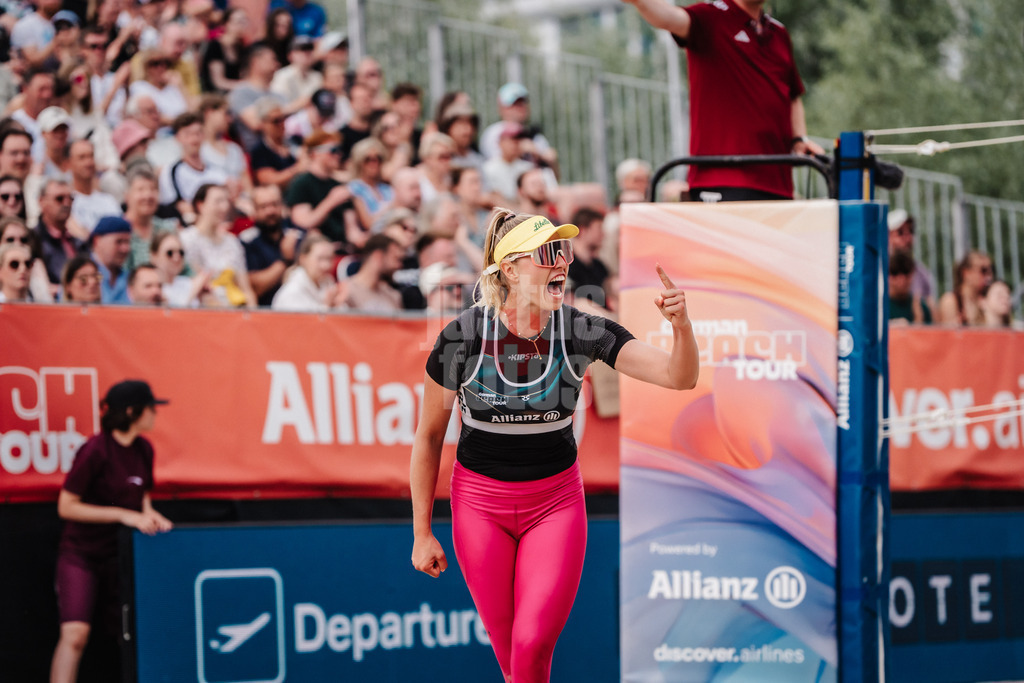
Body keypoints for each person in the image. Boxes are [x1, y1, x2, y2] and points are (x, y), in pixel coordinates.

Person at [410, 208, 699, 683]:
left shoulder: (581, 329)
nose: (561, 262)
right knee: (514, 661)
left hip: (555, 503)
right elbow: (427, 439)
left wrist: (681, 326)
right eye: (547, 253)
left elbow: (679, 377)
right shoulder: (461, 337)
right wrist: (422, 533)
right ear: (509, 269)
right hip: (479, 506)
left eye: (562, 251)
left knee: (532, 643)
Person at [623, 0, 825, 201]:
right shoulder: (709, 17)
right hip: (723, 181)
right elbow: (668, 17)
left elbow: (792, 95)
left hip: (778, 184)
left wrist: (799, 139)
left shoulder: (779, 33)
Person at [49, 379, 173, 683]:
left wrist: (154, 517)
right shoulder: (95, 450)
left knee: (134, 634)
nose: (155, 414)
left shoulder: (144, 450)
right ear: (132, 412)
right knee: (75, 634)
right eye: (150, 408)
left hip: (123, 560)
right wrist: (123, 515)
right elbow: (66, 506)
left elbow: (142, 501)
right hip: (81, 555)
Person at [179, 183, 257, 308]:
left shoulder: (232, 242)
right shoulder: (186, 239)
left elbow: (246, 289)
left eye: (226, 201)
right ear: (201, 205)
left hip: (235, 309)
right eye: (218, 201)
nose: (224, 207)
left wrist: (252, 317)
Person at [339, 232, 405, 311]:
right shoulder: (345, 293)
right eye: (396, 259)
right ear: (378, 256)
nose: (399, 265)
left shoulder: (394, 296)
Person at [271, 233, 337, 311]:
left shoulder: (328, 283)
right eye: (320, 258)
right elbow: (303, 322)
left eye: (329, 258)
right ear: (303, 259)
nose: (326, 265)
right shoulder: (292, 291)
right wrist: (327, 306)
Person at [887, 209, 936, 312]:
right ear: (887, 236)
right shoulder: (875, 270)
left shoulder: (922, 274)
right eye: (900, 232)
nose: (907, 237)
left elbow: (931, 311)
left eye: (911, 231)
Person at [937, 250, 993, 326]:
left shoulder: (987, 300)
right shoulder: (951, 301)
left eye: (991, 270)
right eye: (983, 270)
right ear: (966, 273)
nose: (989, 276)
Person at [150, 231, 206, 307]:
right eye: (170, 253)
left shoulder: (189, 283)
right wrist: (194, 291)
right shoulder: (149, 286)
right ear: (154, 256)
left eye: (181, 252)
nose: (176, 258)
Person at [89, 215, 133, 304]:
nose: (125, 249)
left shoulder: (130, 278)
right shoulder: (80, 274)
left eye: (127, 242)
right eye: (119, 241)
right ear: (97, 241)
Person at [888, 249, 931, 325]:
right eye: (895, 272)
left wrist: (919, 318)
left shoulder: (921, 307)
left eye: (905, 272)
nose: (901, 279)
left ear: (912, 273)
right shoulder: (879, 307)